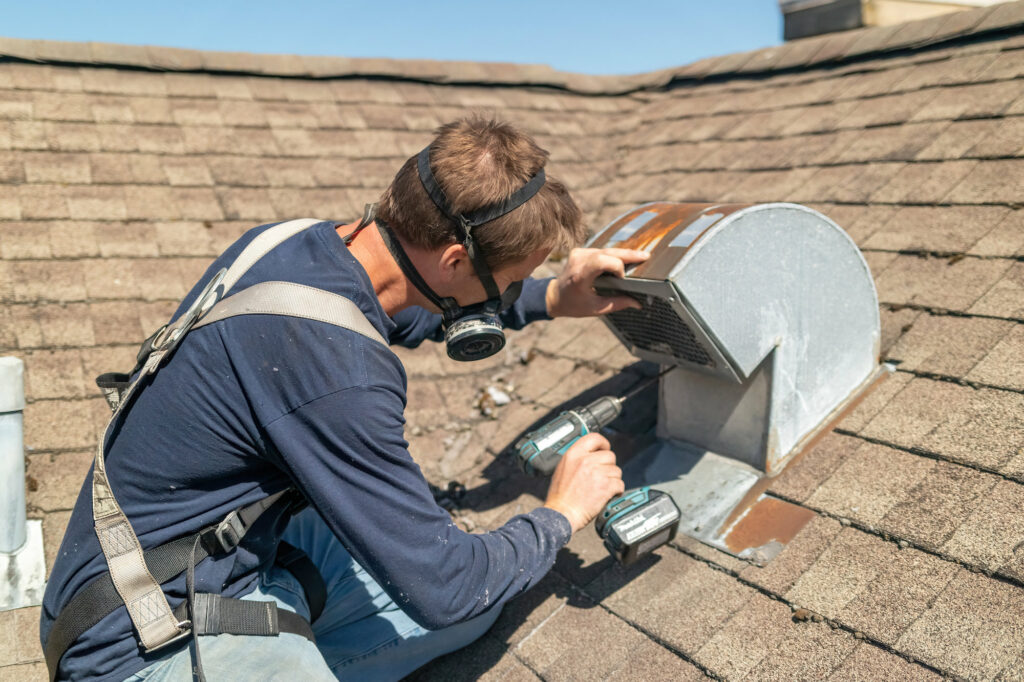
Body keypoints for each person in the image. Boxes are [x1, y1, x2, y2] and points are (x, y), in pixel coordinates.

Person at [40, 116, 650, 681]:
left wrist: (547, 297)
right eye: (509, 280)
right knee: (461, 590)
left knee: (478, 605)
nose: (509, 292)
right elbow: (447, 586)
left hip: (184, 560)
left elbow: (411, 313)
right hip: (136, 640)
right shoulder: (339, 375)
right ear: (455, 258)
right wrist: (561, 513)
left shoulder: (298, 246)